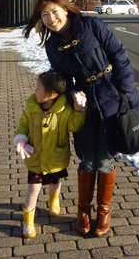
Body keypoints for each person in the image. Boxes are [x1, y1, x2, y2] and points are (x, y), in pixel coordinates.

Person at [24, 0, 139, 237]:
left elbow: (119, 56)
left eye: (54, 12)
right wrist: (71, 93)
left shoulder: (92, 25)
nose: (51, 19)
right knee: (86, 157)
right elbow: (62, 78)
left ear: (65, 9)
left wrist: (123, 90)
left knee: (104, 157)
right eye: (45, 15)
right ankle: (83, 211)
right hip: (83, 102)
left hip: (111, 94)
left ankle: (103, 211)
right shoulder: (52, 44)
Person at [14, 69, 87, 238]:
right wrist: (20, 139)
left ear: (51, 93)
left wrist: (79, 111)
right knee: (33, 189)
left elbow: (74, 126)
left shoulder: (64, 110)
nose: (35, 90)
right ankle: (28, 221)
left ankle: (54, 199)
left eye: (38, 88)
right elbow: (23, 123)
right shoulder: (32, 106)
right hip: (36, 159)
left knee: (55, 183)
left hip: (55, 159)